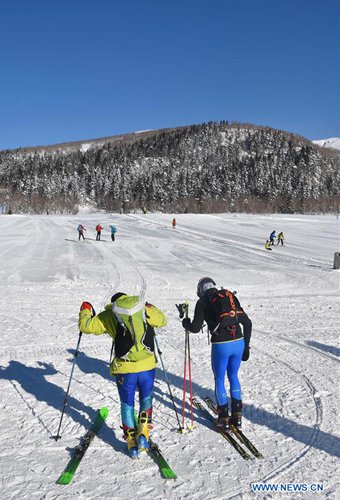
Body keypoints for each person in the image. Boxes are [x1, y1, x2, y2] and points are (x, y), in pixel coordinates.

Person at [78, 293, 167, 458]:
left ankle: (132, 443)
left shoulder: (110, 315)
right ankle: (143, 433)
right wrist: (150, 307)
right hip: (147, 365)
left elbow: (86, 326)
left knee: (127, 404)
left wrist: (85, 310)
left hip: (125, 369)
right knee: (146, 398)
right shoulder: (142, 309)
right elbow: (162, 320)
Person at [181, 277, 252, 430]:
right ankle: (237, 416)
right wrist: (246, 347)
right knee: (233, 376)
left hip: (221, 344)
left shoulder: (202, 302)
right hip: (238, 341)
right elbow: (247, 322)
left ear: (200, 291)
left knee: (219, 378)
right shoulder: (228, 297)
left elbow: (194, 327)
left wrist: (185, 322)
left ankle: (224, 419)